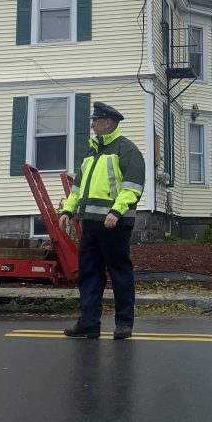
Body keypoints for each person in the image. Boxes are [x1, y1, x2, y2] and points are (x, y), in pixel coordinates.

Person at [59, 101, 145, 340]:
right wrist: (67, 210)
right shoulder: (91, 152)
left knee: (119, 273)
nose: (92, 124)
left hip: (113, 224)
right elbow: (78, 189)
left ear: (108, 123)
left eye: (96, 120)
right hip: (91, 224)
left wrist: (115, 213)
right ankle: (89, 323)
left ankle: (124, 324)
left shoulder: (126, 150)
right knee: (89, 273)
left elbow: (133, 187)